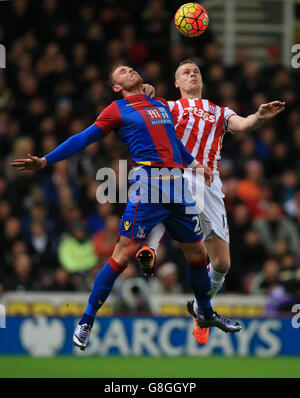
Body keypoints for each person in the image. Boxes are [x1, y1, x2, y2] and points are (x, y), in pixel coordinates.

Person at [10, 64, 242, 351]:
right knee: (121, 255)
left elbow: (173, 143)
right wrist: (46, 160)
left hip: (178, 186)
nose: (129, 70)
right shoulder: (116, 109)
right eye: (122, 71)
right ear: (116, 87)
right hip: (149, 186)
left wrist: (195, 164)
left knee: (198, 255)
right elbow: (82, 138)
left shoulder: (158, 104)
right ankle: (86, 320)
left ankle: (205, 314)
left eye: (130, 68)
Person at [136, 59, 285, 345]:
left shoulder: (218, 111)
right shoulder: (168, 107)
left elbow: (242, 125)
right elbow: (144, 110)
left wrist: (260, 115)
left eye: (196, 72)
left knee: (221, 263)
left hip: (209, 184)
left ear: (201, 81)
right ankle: (149, 247)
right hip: (178, 174)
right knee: (168, 196)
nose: (192, 74)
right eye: (185, 73)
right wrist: (145, 93)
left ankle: (200, 310)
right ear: (177, 83)